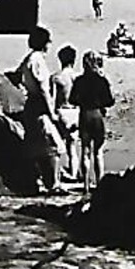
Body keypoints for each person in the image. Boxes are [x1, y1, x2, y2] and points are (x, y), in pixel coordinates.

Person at [17, 26, 63, 195]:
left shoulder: (28, 58)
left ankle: (41, 181)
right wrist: (51, 111)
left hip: (31, 103)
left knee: (36, 144)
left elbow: (18, 76)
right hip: (39, 105)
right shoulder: (38, 60)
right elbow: (43, 88)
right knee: (52, 144)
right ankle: (53, 184)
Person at [69, 50, 114, 192]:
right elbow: (110, 101)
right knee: (98, 151)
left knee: (85, 150)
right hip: (97, 114)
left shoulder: (79, 81)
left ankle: (86, 185)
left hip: (84, 114)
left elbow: (72, 99)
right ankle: (99, 183)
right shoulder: (102, 81)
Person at [52, 45, 81, 182]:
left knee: (57, 145)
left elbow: (52, 98)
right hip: (74, 111)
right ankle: (74, 173)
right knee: (72, 147)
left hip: (61, 111)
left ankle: (55, 174)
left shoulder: (56, 77)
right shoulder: (76, 77)